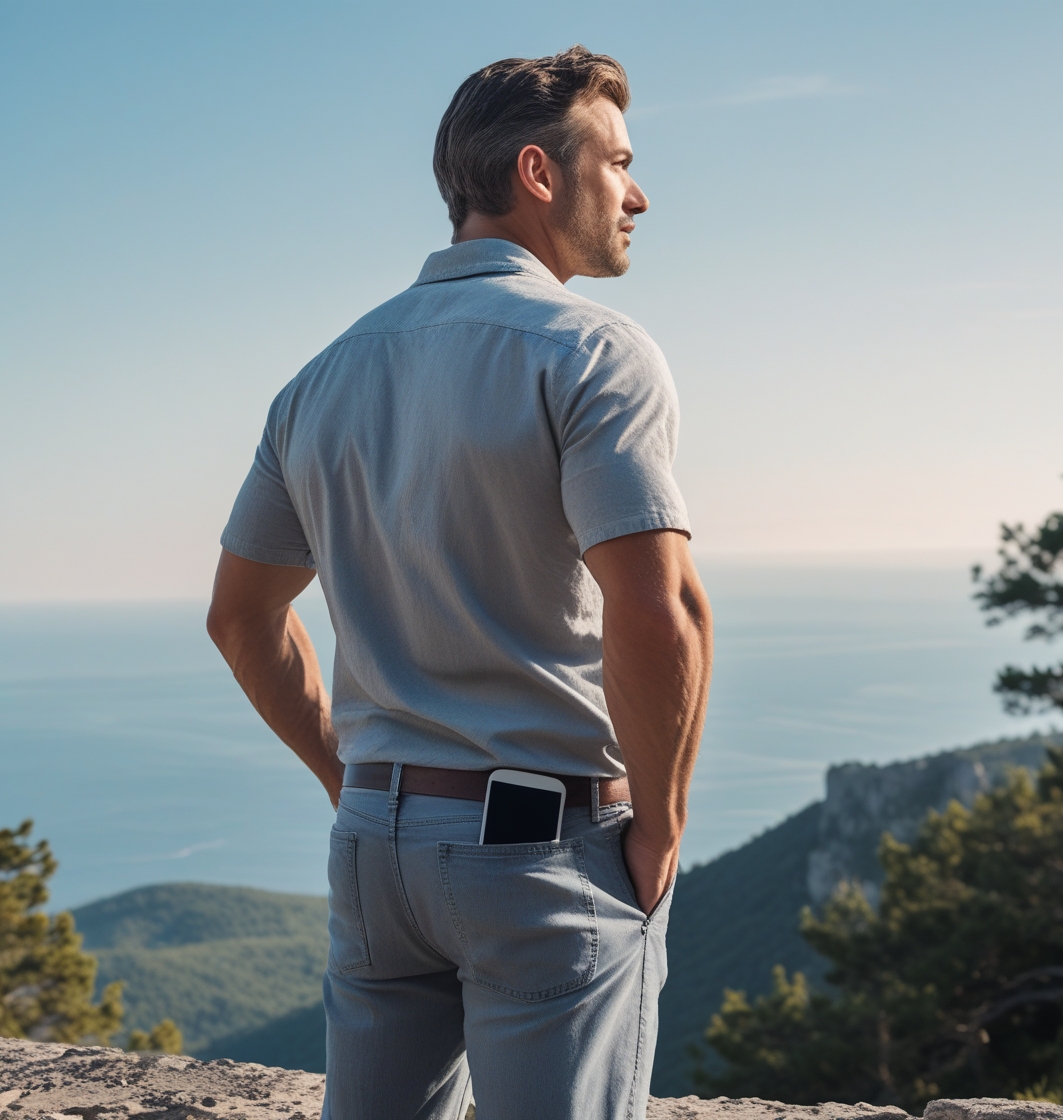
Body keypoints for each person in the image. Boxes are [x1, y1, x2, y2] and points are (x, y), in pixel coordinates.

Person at [207, 44, 712, 1120]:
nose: (638, 192)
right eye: (617, 161)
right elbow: (657, 606)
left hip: (375, 853)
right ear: (539, 173)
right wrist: (659, 827)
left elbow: (241, 615)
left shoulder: (322, 377)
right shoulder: (591, 352)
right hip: (542, 852)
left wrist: (352, 780)